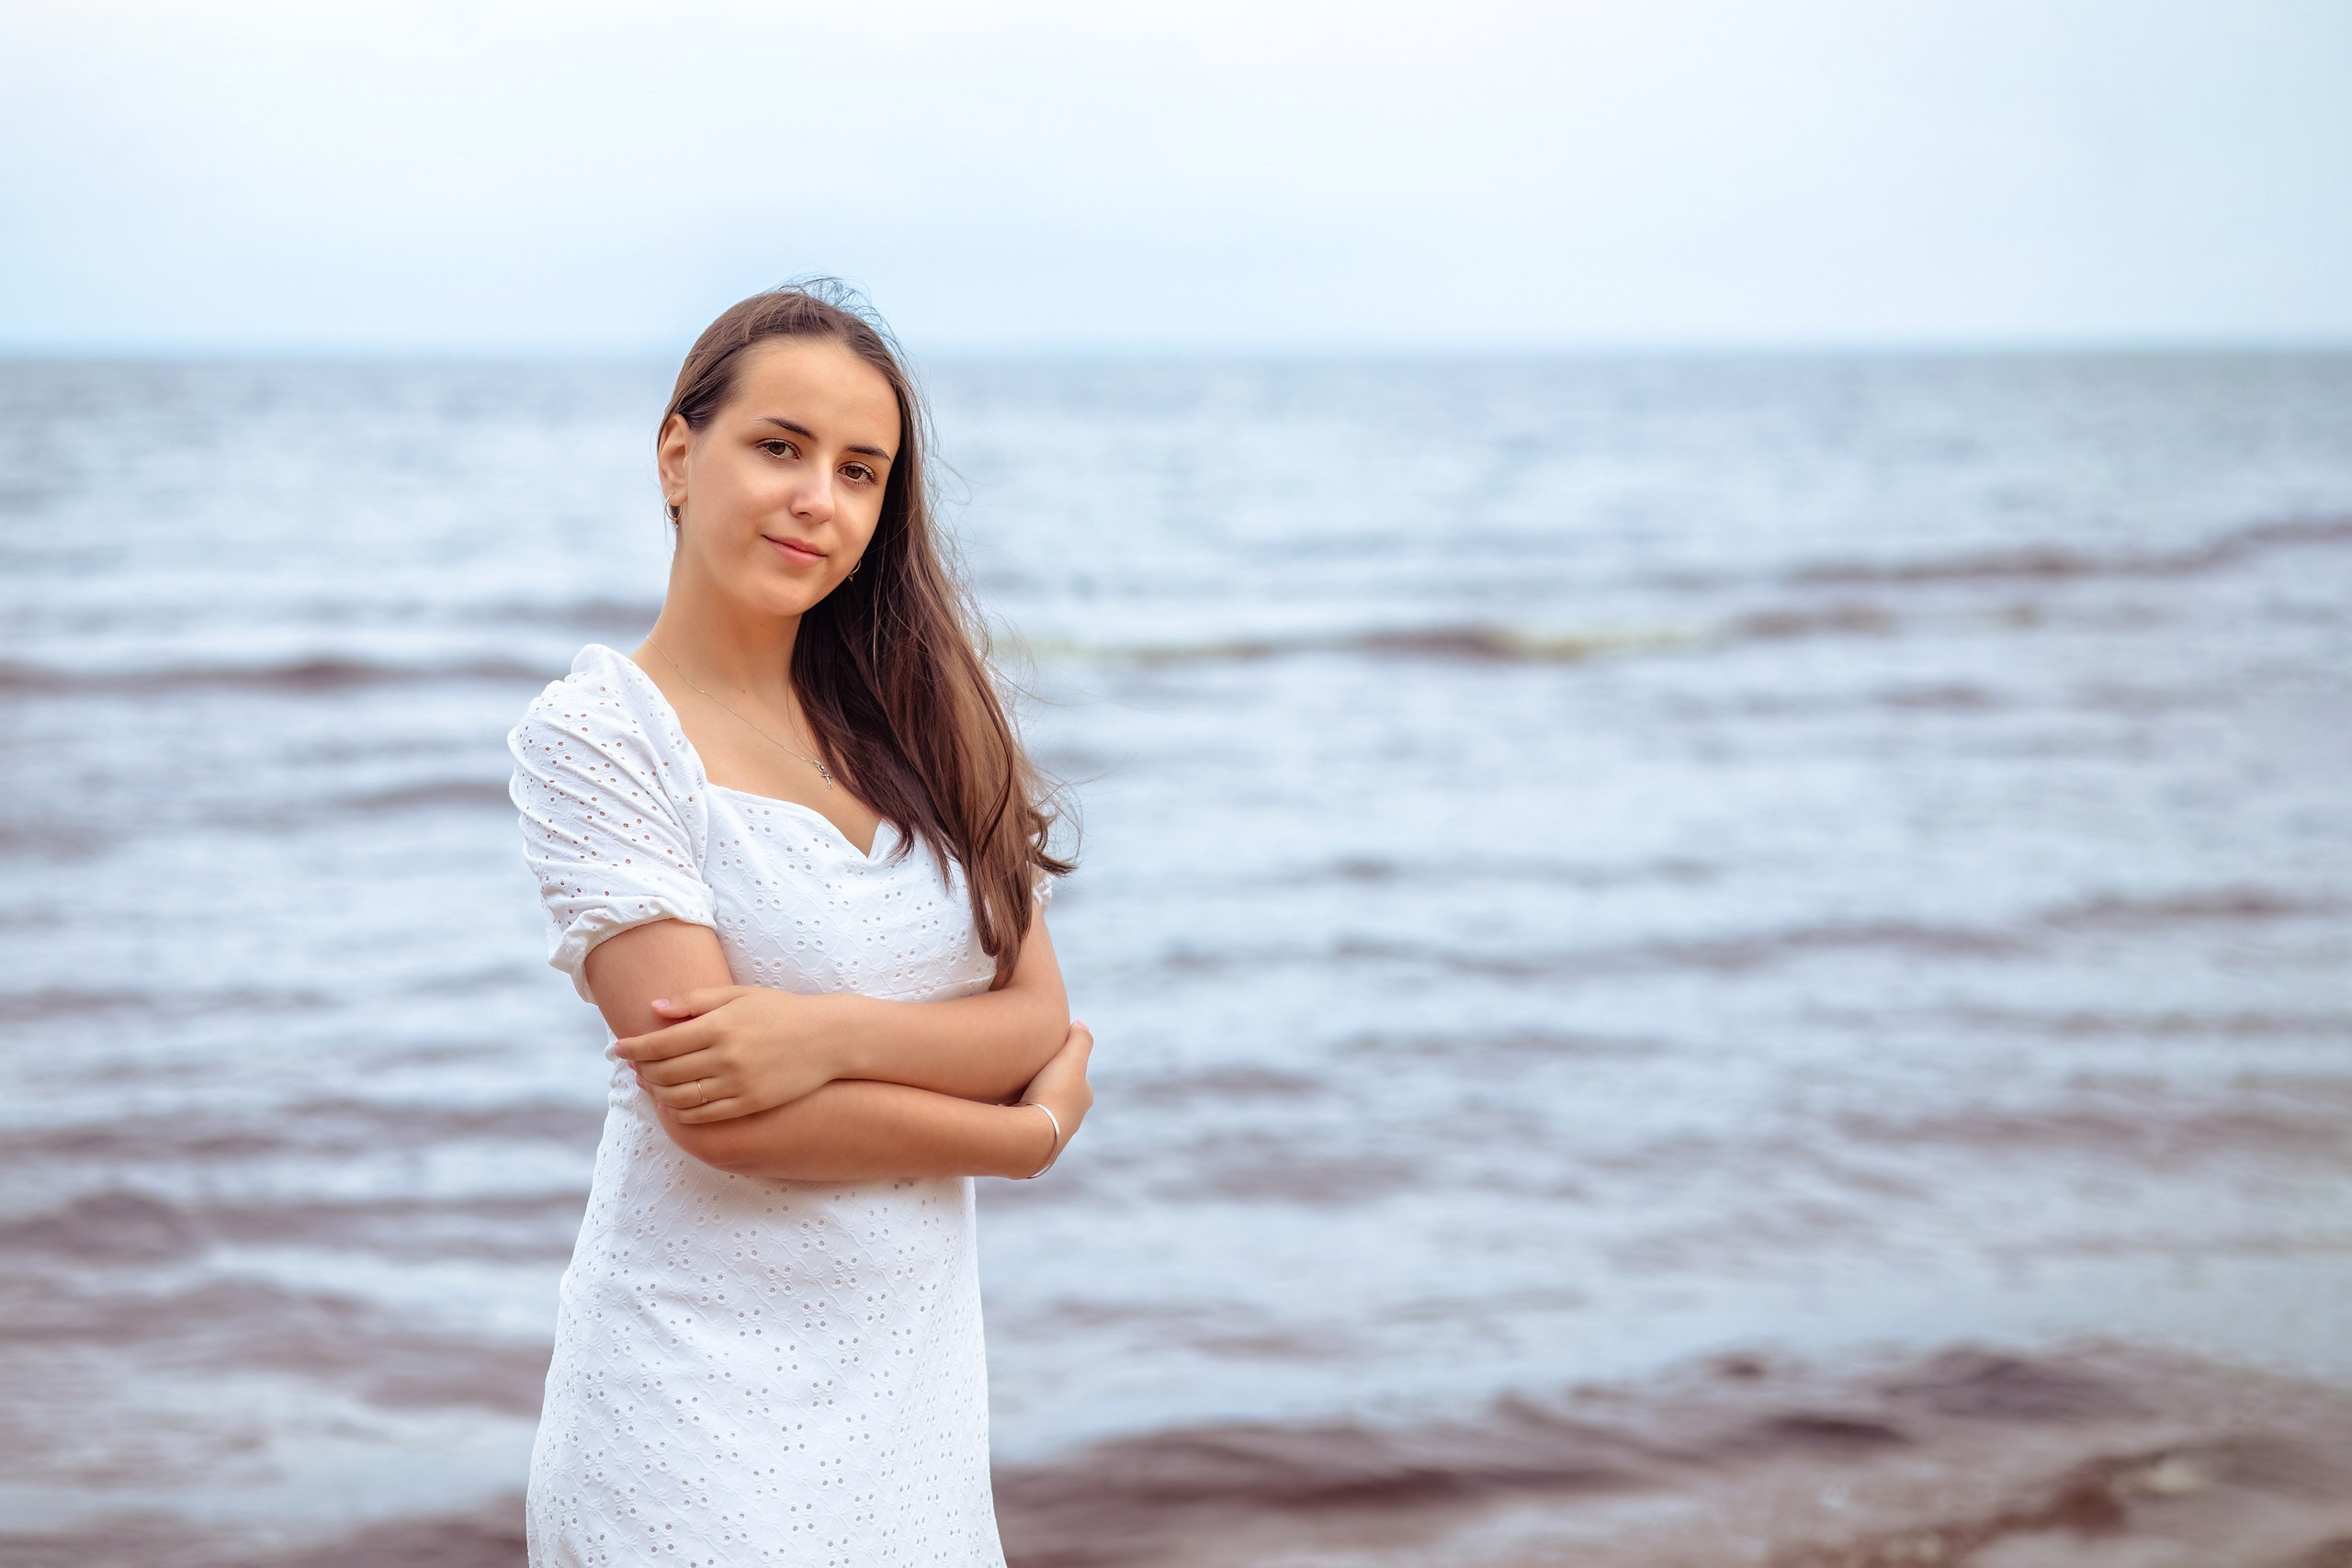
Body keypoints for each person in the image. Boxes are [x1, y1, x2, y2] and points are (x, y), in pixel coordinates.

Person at [505, 283, 1093, 1566]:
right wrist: (1020, 1138)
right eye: (780, 447)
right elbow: (724, 1119)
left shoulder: (927, 721)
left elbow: (1038, 1016)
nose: (819, 498)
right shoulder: (600, 736)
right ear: (678, 454)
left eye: (860, 471)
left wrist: (820, 1038)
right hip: (687, 1417)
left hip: (914, 1419)